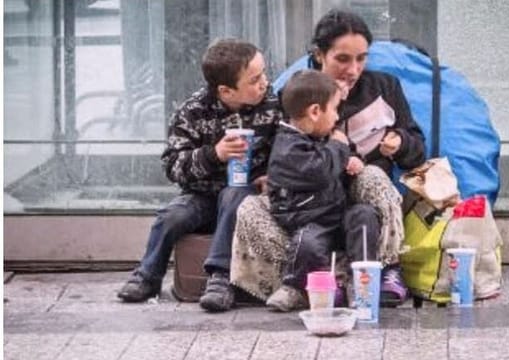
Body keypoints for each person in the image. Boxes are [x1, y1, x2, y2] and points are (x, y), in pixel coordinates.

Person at [231, 9, 425, 309]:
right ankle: (316, 278)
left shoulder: (384, 87)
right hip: (308, 207)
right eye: (343, 59)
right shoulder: (295, 92)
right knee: (248, 208)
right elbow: (276, 148)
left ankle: (385, 268)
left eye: (361, 58)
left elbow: (417, 153)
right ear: (320, 55)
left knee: (371, 175)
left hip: (362, 205)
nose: (353, 69)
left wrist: (400, 143)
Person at [116, 38, 284, 312]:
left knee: (235, 195)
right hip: (203, 194)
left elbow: (289, 150)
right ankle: (148, 275)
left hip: (249, 196)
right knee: (172, 215)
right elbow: (173, 166)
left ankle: (220, 277)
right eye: (254, 80)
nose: (264, 82)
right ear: (226, 91)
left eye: (263, 73)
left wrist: (273, 177)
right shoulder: (193, 111)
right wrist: (213, 154)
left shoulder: (275, 105)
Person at [265, 69, 379, 311]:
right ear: (315, 112)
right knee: (308, 243)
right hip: (309, 219)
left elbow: (334, 158)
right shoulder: (287, 147)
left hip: (335, 214)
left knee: (364, 215)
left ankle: (362, 282)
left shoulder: (319, 134)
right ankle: (294, 287)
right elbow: (320, 170)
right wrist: (339, 146)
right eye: (335, 109)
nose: (338, 117)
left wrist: (352, 158)